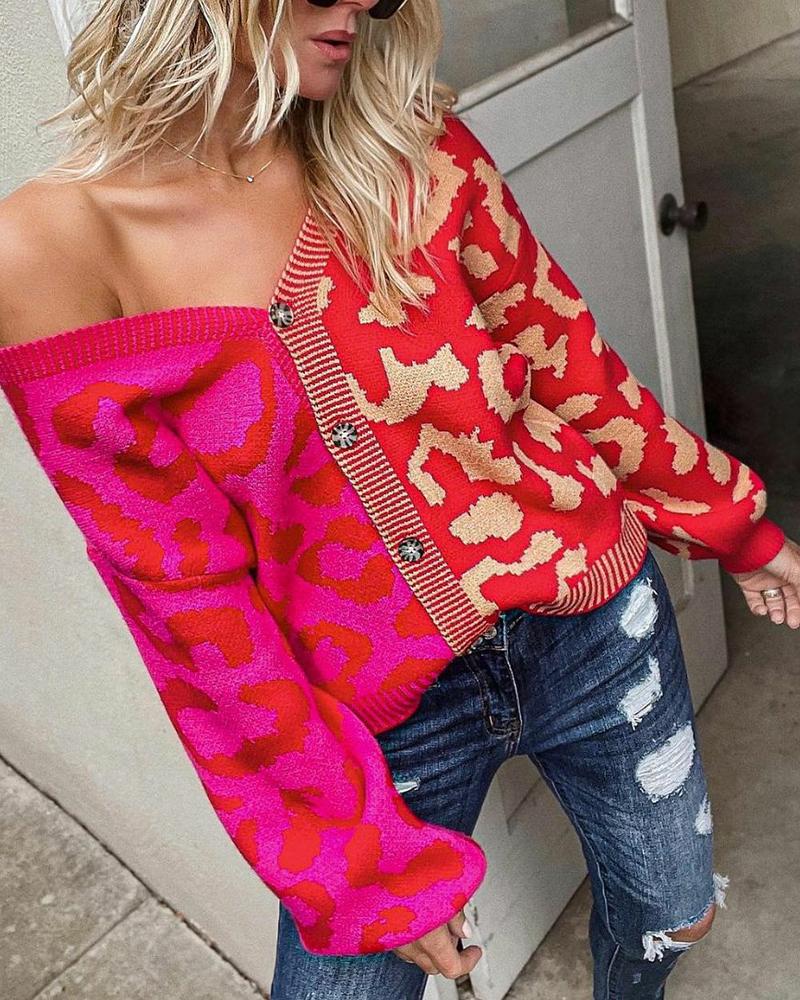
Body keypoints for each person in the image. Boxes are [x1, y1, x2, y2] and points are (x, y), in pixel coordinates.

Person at [0, 1, 797, 998]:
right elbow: (187, 600)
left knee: (673, 914)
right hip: (365, 718)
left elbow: (566, 363)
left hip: (595, 624)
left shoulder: (412, 147)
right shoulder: (51, 255)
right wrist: (360, 865)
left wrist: (732, 525)